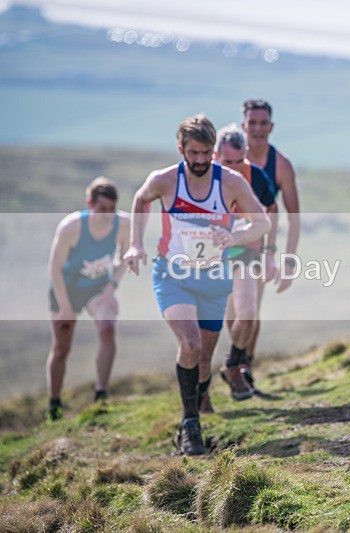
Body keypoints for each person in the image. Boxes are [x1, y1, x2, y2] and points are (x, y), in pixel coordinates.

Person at [124, 114, 270, 455]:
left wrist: (234, 234)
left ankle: (197, 410)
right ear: (181, 149)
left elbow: (261, 222)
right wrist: (134, 243)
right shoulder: (165, 180)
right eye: (194, 153)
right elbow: (140, 199)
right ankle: (189, 424)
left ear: (213, 151)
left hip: (213, 278)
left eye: (206, 153)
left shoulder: (231, 183)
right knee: (189, 345)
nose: (201, 160)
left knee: (203, 357)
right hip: (173, 276)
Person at [46, 177, 130, 421]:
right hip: (67, 288)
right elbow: (54, 268)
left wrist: (111, 287)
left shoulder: (123, 224)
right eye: (102, 209)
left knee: (107, 329)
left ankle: (101, 394)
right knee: (62, 348)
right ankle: (54, 403)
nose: (107, 215)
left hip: (98, 287)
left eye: (112, 209)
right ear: (90, 204)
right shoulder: (71, 227)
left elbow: (124, 257)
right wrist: (65, 307)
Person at [213, 125, 278, 406]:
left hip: (247, 251)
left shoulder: (256, 176)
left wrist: (271, 252)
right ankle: (234, 372)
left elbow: (272, 212)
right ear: (216, 156)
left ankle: (234, 363)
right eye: (228, 162)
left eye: (239, 161)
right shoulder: (205, 179)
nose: (235, 168)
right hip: (212, 255)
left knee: (248, 312)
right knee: (231, 317)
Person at [238, 98, 301, 388]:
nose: (258, 129)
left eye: (263, 123)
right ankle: (237, 360)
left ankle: (243, 367)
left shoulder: (281, 166)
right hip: (224, 244)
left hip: (263, 247)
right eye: (253, 123)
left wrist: (287, 260)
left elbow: (294, 217)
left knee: (250, 307)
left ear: (271, 126)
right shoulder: (228, 158)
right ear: (243, 125)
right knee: (231, 312)